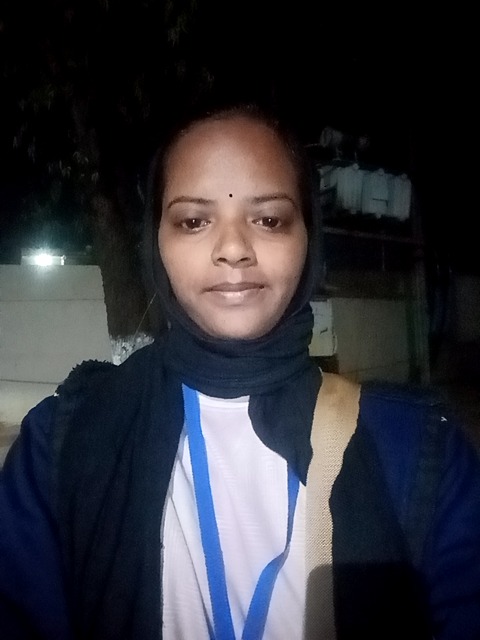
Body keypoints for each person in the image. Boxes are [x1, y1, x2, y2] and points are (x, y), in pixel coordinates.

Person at [1, 103, 480, 640]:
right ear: (156, 241)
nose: (233, 250)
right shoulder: (63, 443)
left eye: (269, 219)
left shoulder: (417, 450)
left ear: (309, 237)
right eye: (193, 221)